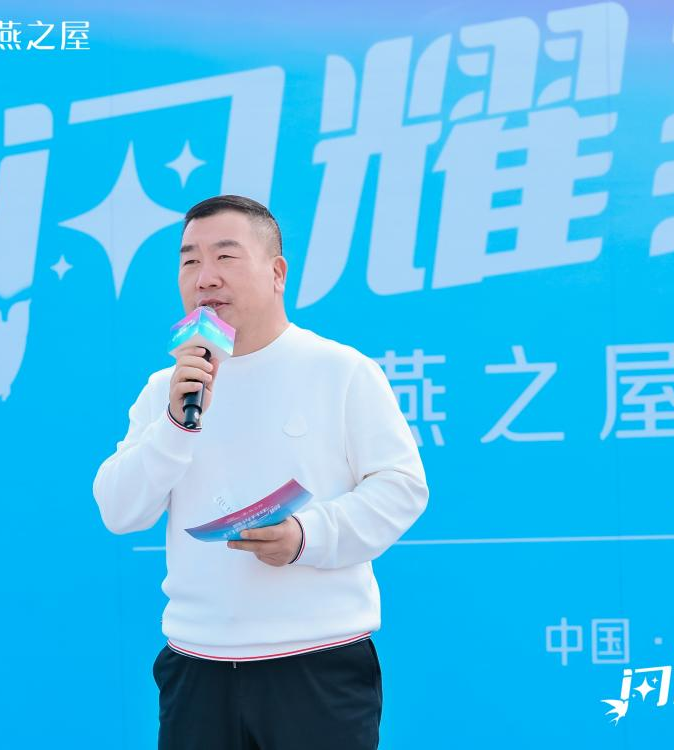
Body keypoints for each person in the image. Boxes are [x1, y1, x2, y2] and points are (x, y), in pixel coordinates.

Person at [92, 194, 429, 750]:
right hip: (196, 669)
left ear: (277, 273)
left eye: (225, 256)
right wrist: (175, 425)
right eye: (190, 260)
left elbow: (401, 488)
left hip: (315, 666)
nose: (205, 277)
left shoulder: (341, 371)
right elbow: (118, 510)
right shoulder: (167, 388)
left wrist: (306, 536)